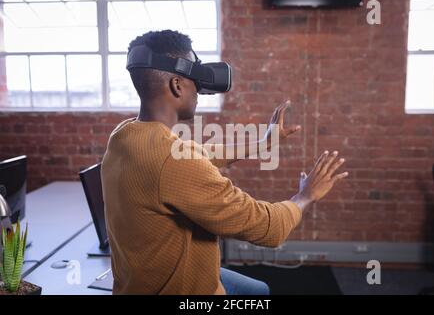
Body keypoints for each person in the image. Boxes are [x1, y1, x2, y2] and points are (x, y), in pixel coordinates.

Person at [101, 30, 348, 295]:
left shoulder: (124, 135)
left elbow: (200, 153)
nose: (198, 90)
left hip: (138, 283)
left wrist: (263, 143)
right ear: (176, 85)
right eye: (194, 80)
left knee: (258, 289)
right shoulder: (172, 162)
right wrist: (306, 195)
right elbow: (269, 228)